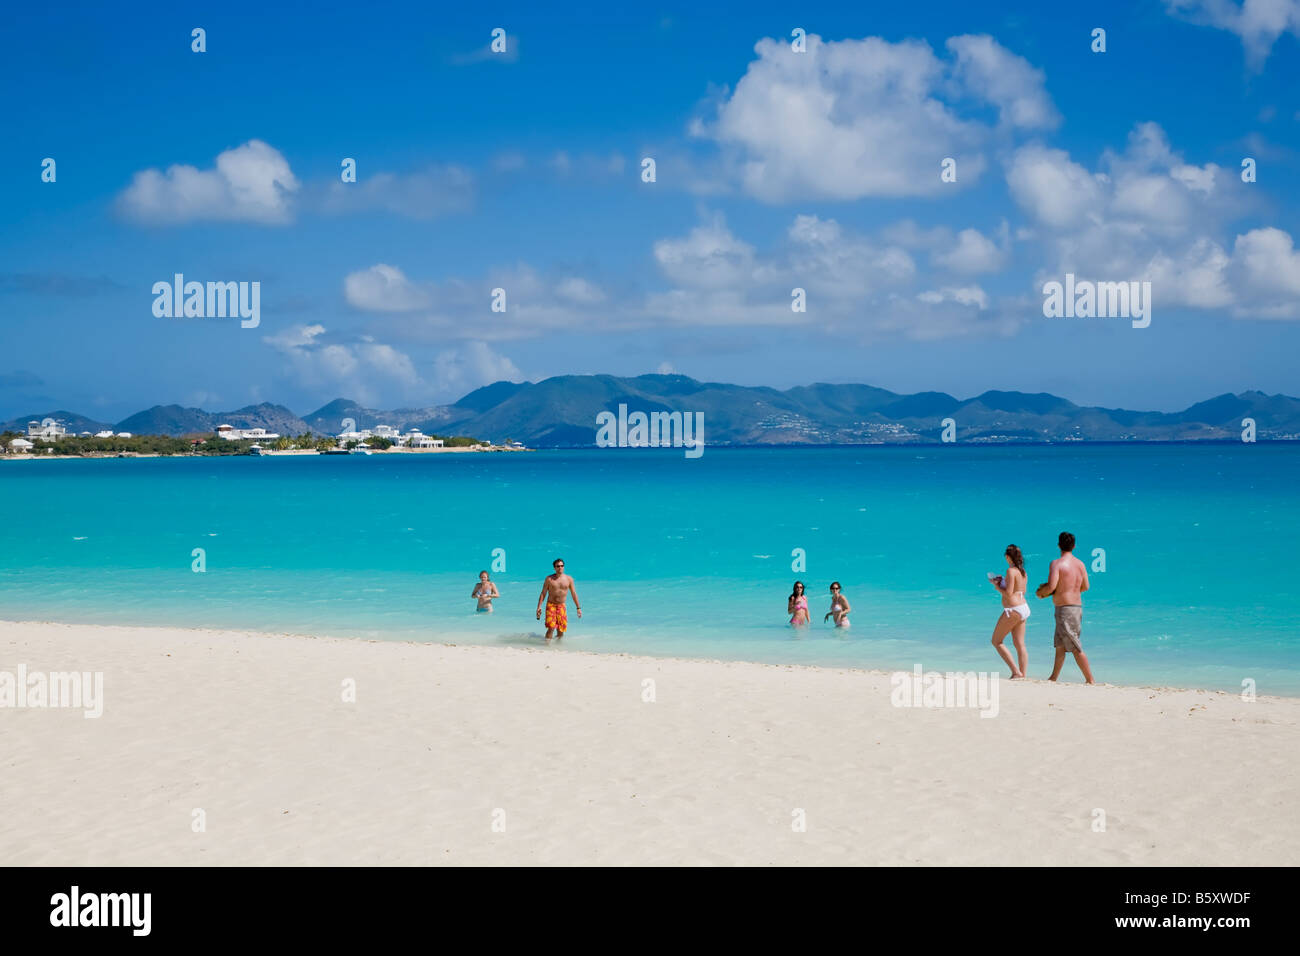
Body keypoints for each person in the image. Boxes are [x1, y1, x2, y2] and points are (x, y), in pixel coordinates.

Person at [1036, 532, 1096, 684]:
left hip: (1065, 609)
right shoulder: (1080, 564)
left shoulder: (1056, 564)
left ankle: (1090, 679)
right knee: (1060, 645)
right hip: (1076, 607)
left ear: (1058, 545)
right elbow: (1086, 586)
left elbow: (1051, 586)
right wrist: (1071, 590)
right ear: (1074, 546)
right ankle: (1053, 677)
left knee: (1075, 645)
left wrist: (1041, 593)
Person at [990, 544, 1030, 679]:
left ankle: (1016, 672)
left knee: (996, 641)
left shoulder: (1011, 571)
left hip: (1013, 610)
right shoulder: (1023, 572)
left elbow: (1008, 594)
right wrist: (1003, 582)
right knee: (1020, 644)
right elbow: (1021, 591)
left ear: (1008, 557)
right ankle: (1023, 675)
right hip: (1023, 608)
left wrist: (996, 586)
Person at [536, 558, 581, 641]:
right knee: (551, 627)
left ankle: (558, 645)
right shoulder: (549, 579)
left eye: (562, 566)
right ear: (554, 568)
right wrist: (539, 607)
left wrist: (578, 608)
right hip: (551, 605)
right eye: (558, 566)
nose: (560, 567)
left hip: (561, 605)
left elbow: (574, 594)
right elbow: (543, 593)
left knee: (561, 629)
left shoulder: (569, 579)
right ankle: (547, 645)